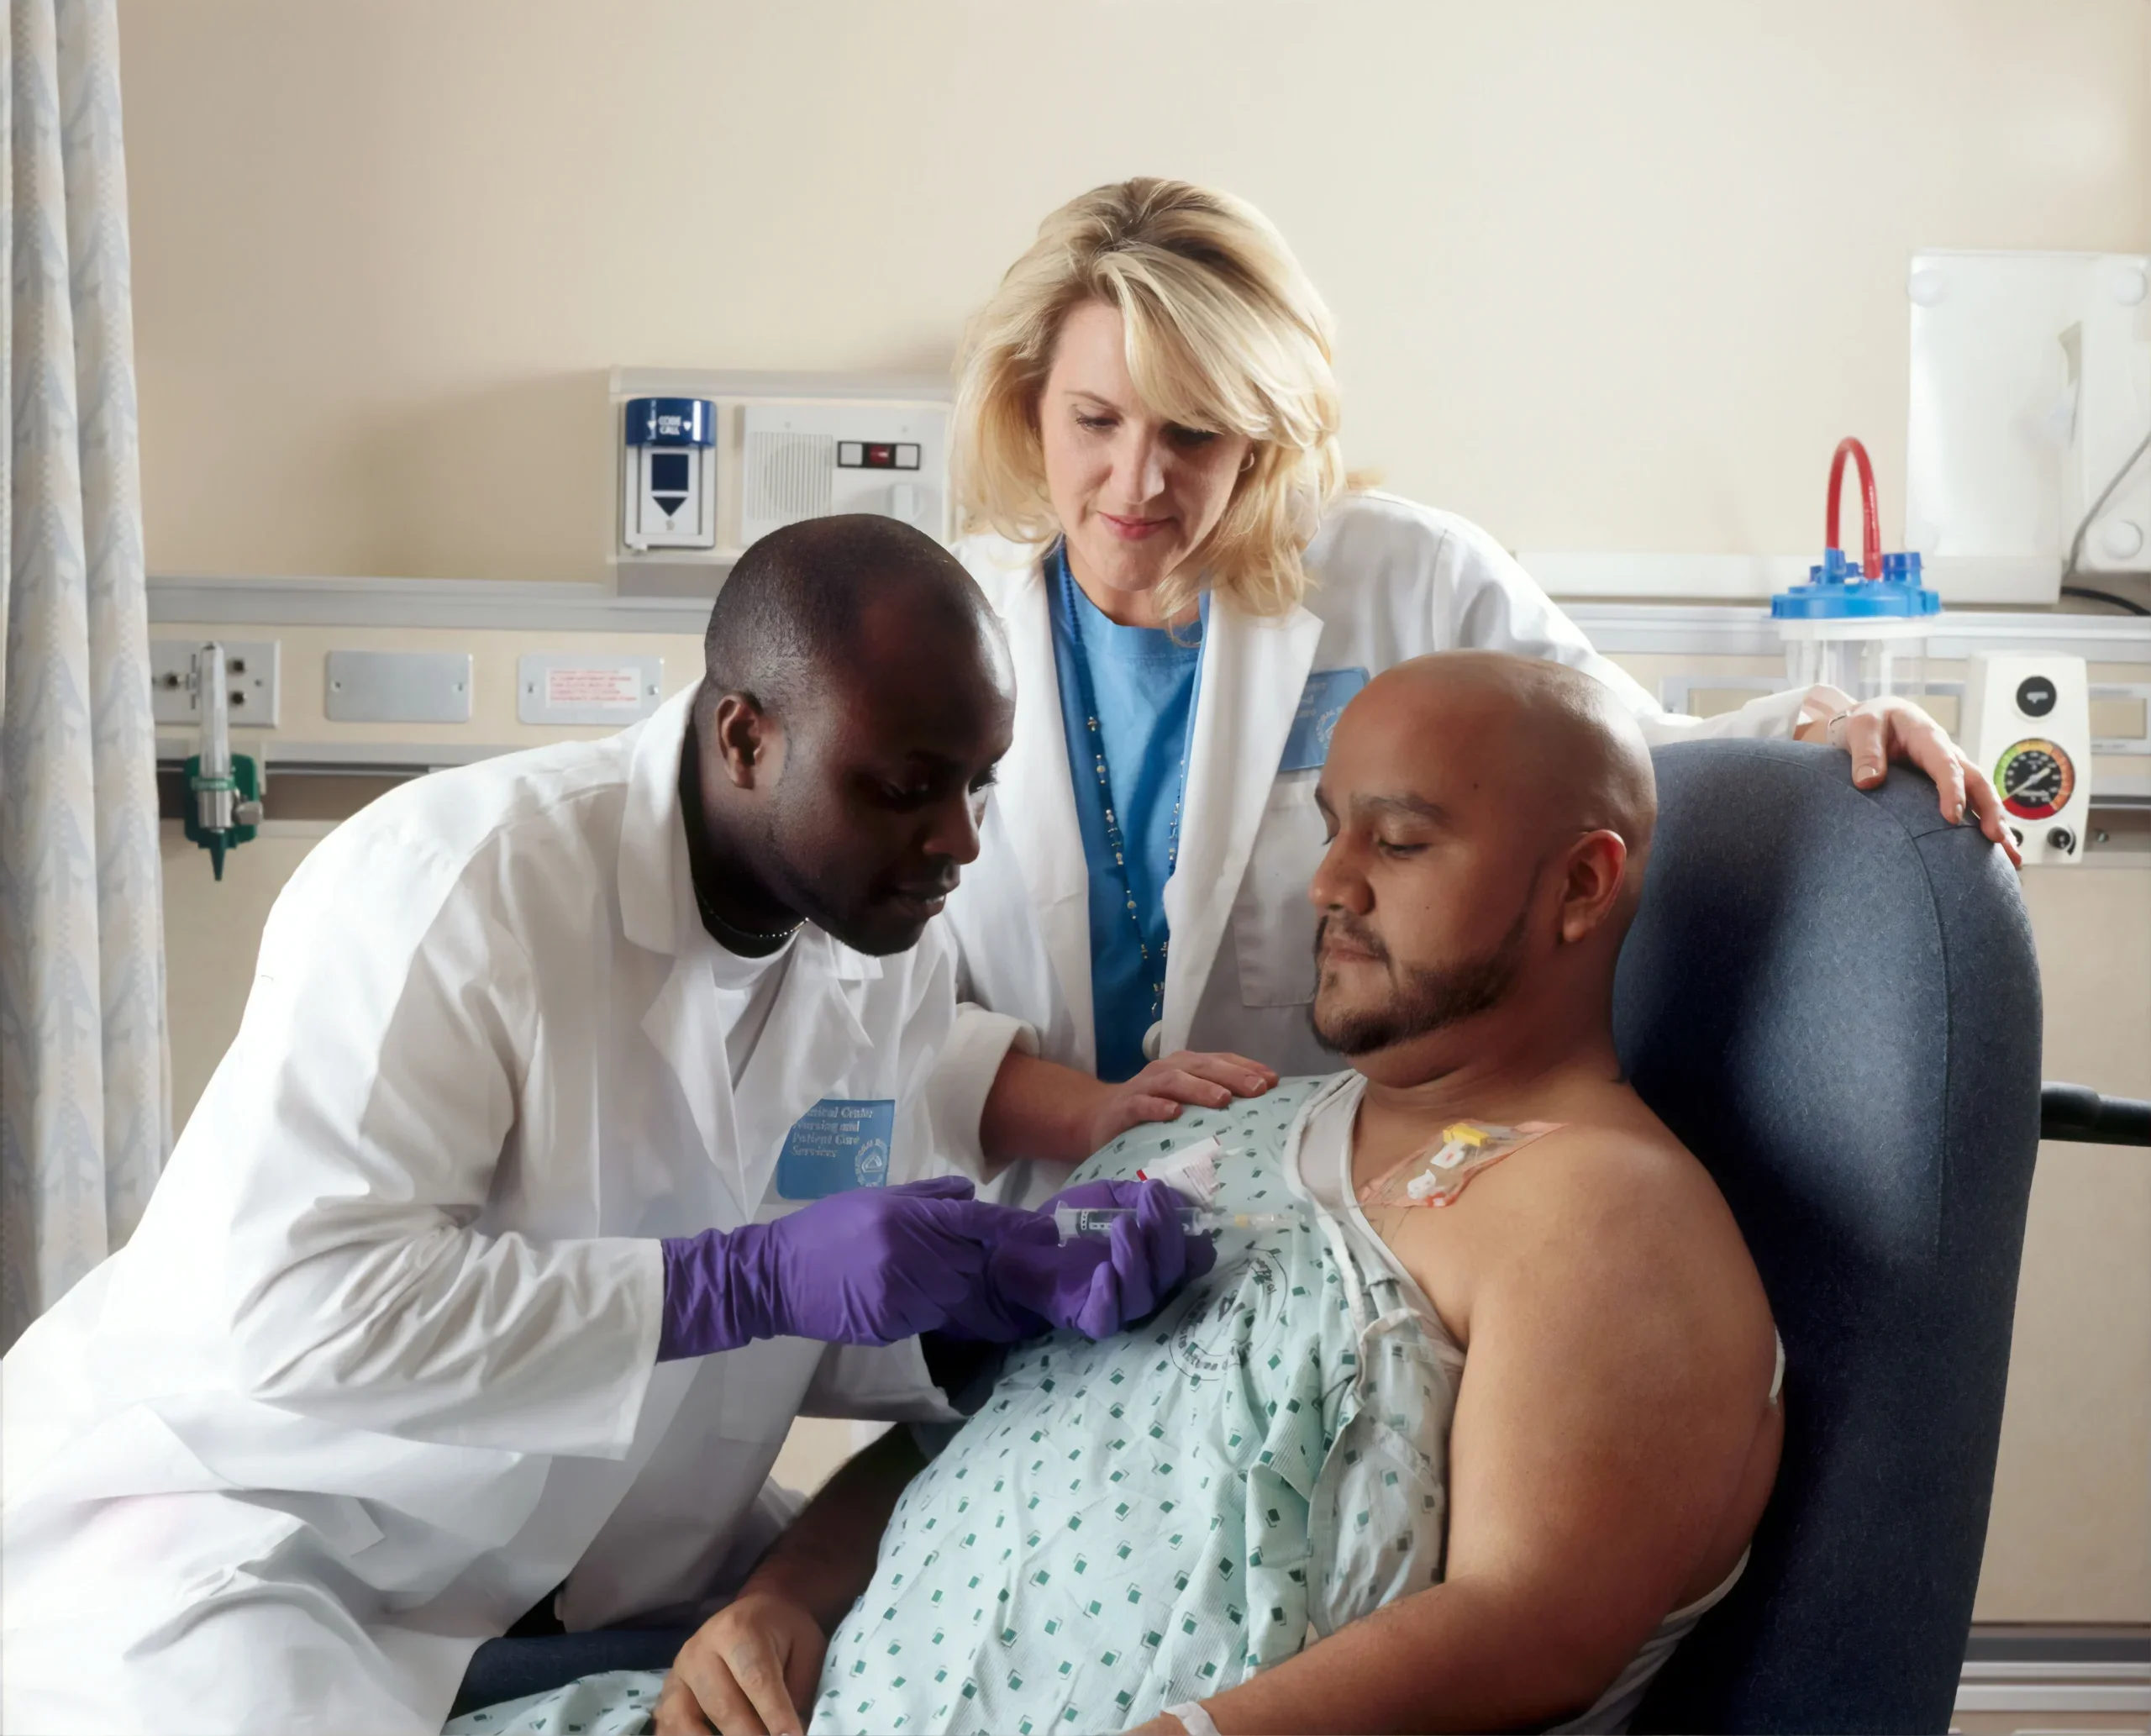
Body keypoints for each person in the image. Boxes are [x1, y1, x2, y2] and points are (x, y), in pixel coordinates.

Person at [0, 516, 1212, 1736]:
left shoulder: (883, 956)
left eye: (978, 780)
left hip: (615, 1563)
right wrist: (738, 1280)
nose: (960, 839)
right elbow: (306, 1312)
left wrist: (984, 1295)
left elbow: (801, 1323)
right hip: (270, 1528)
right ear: (745, 735)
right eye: (907, 787)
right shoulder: (459, 885)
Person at [446, 650, 1783, 1736]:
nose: (1329, 883)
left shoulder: (1601, 1209)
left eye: (1404, 841)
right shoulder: (1211, 1131)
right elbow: (957, 1430)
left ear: (1583, 884)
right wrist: (781, 1599)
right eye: (1332, 828)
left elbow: (1533, 1624)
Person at [945, 177, 2017, 1165]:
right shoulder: (947, 625)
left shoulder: (1407, 576)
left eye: (1193, 433)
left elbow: (1626, 765)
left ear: (1263, 438)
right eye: (1096, 421)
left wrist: (1827, 729)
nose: (1138, 479)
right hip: (1031, 1220)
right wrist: (1089, 1118)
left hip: (1322, 1208)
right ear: (1029, 402)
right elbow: (875, 1006)